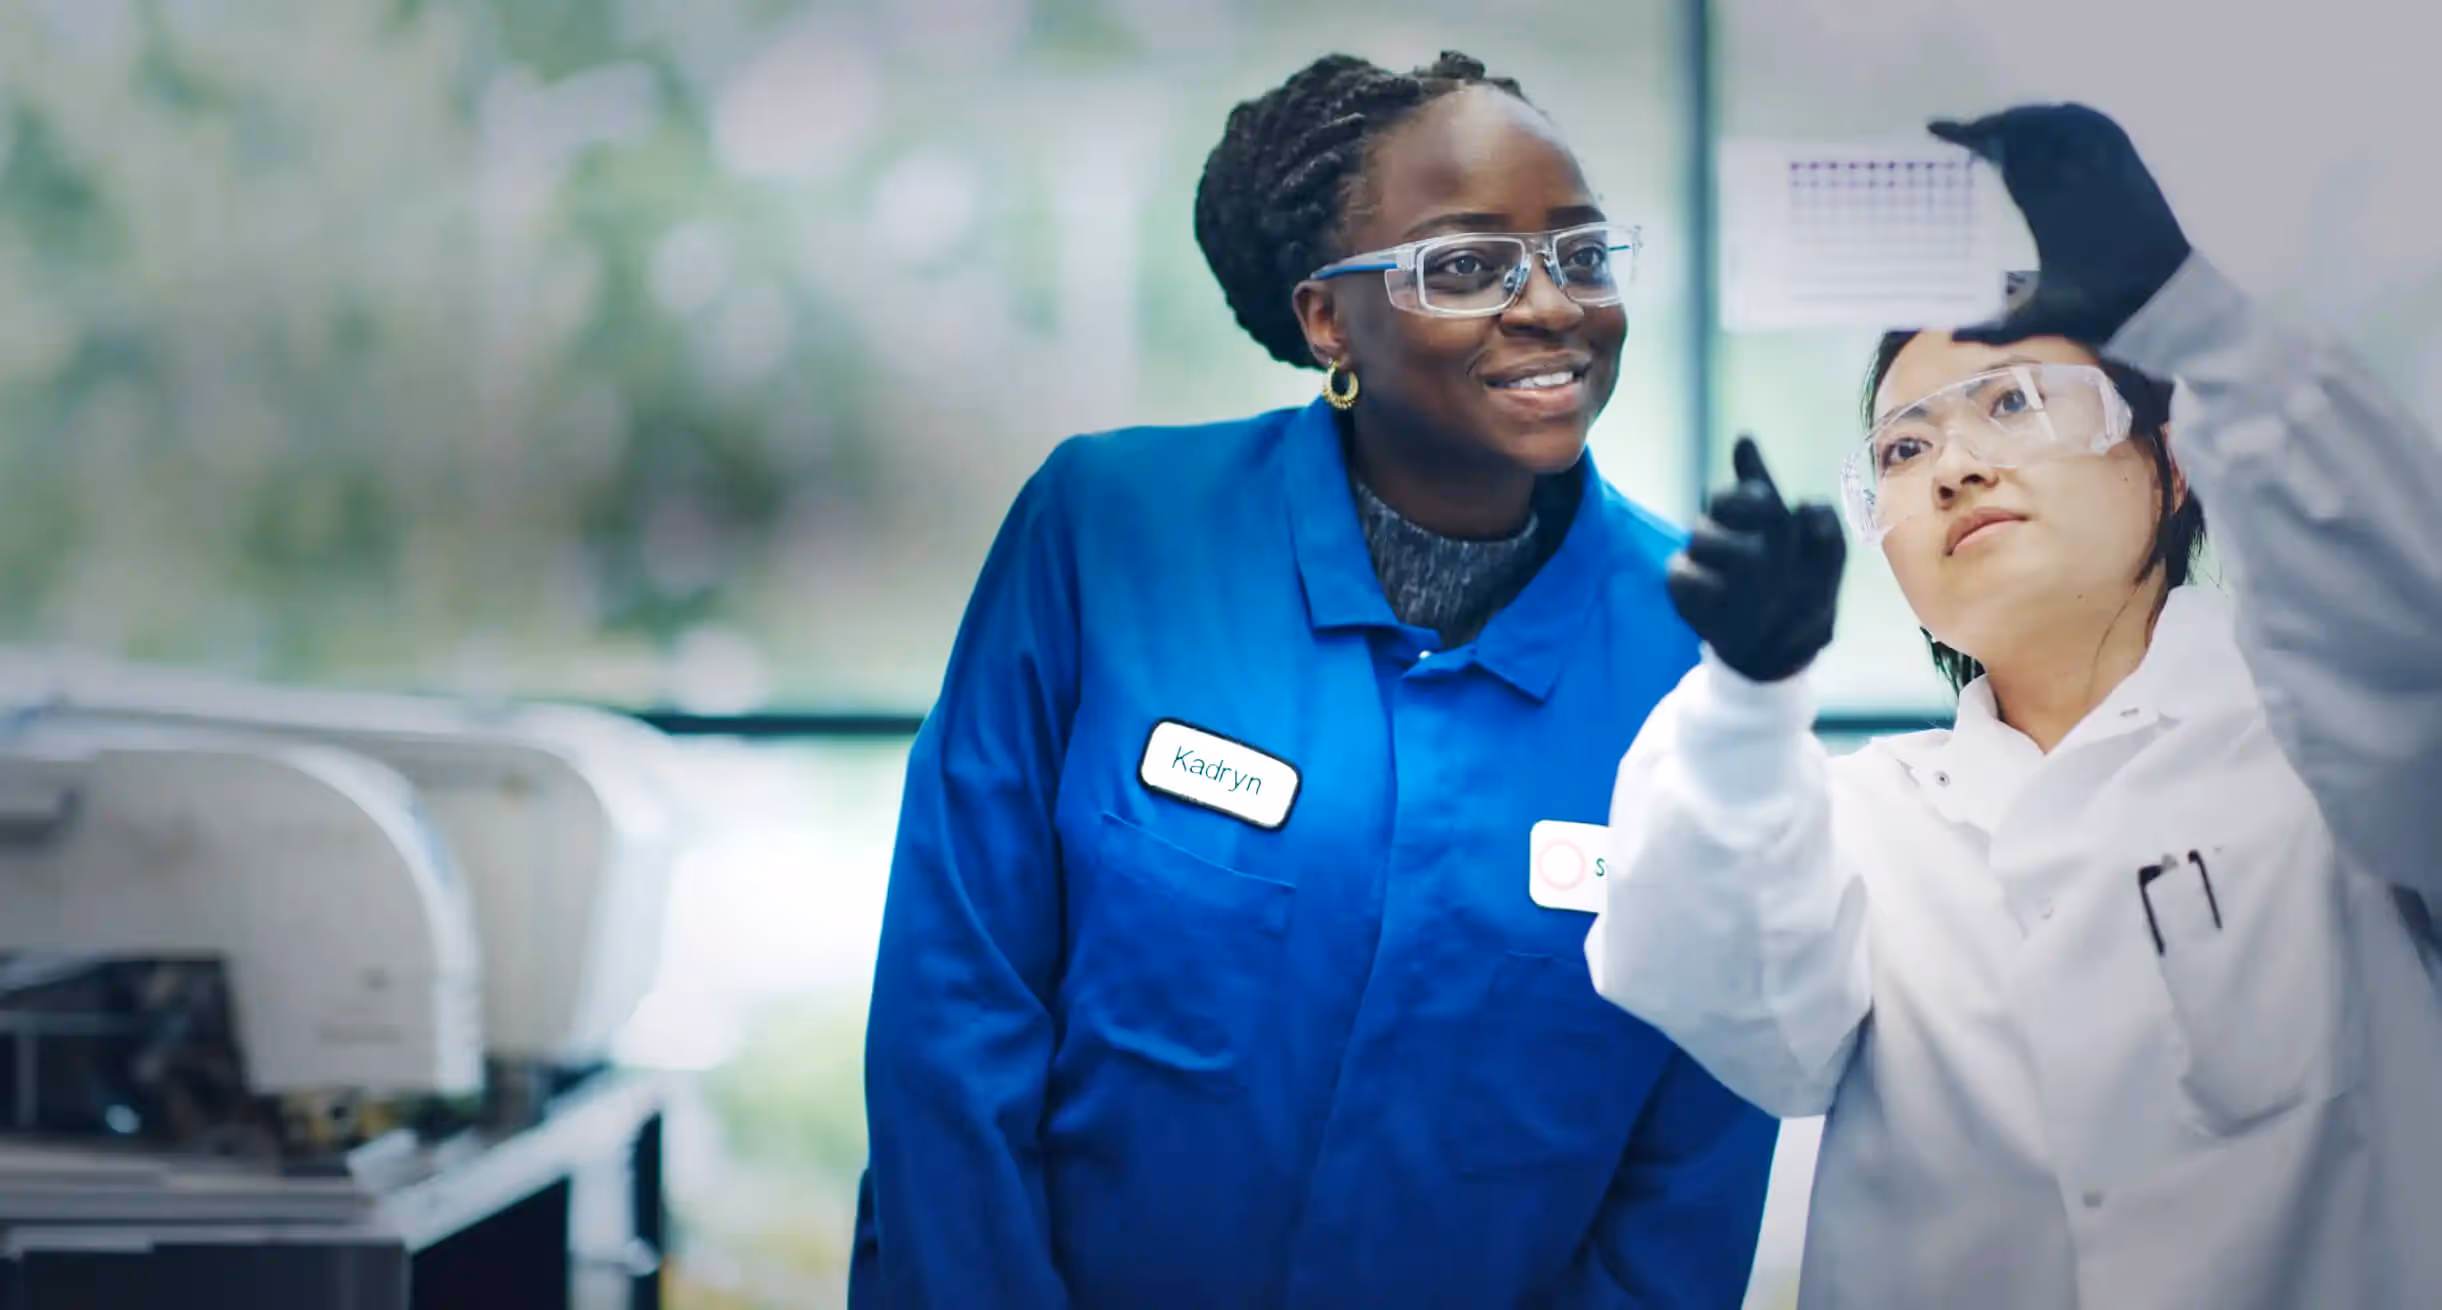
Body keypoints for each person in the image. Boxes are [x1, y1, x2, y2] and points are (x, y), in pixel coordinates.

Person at [854, 50, 1775, 1310]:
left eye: (1582, 253)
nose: (1553, 304)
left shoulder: (1702, 640)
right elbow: (954, 1011)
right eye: (1464, 265)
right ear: (1326, 318)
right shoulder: (1112, 534)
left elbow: (1699, 1138)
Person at [1589, 102, 2442, 1308]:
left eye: (2014, 403)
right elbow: (1745, 1020)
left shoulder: (2338, 758)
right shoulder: (1864, 815)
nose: (1955, 465)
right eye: (1902, 448)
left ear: (2175, 458)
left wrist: (2197, 321)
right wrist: (1744, 696)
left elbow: (2406, 637)